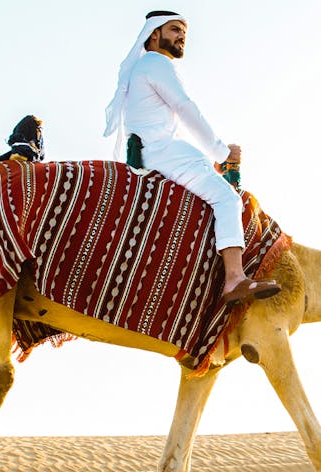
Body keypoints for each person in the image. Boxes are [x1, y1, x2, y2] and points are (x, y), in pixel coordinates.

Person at [103, 10, 281, 306]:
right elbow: (186, 108)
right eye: (174, 30)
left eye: (184, 32)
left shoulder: (145, 67)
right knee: (227, 199)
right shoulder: (156, 63)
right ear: (154, 34)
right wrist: (222, 153)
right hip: (162, 151)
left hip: (155, 151)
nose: (181, 36)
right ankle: (234, 278)